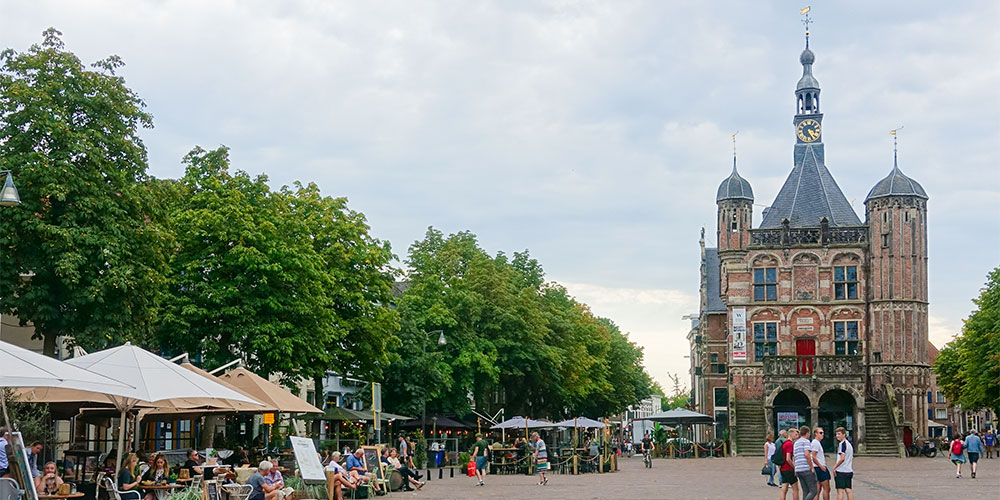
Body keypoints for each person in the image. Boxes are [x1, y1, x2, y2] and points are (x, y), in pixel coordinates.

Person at [794, 425, 818, 500]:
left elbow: (795, 456)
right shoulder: (806, 441)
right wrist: (811, 467)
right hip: (806, 468)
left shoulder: (796, 443)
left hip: (799, 469)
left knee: (806, 491)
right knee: (814, 490)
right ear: (807, 433)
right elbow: (807, 454)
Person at [832, 427, 853, 500]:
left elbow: (842, 458)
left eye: (839, 434)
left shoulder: (842, 444)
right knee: (848, 490)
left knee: (840, 491)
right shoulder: (849, 444)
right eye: (836, 434)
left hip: (841, 470)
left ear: (844, 434)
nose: (837, 436)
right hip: (849, 470)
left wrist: (835, 467)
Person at [779, 427, 799, 500]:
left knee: (784, 488)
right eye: (796, 434)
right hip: (788, 469)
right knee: (795, 489)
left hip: (783, 468)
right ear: (791, 434)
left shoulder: (784, 443)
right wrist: (794, 467)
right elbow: (788, 458)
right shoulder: (790, 444)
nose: (797, 436)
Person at [811, 427, 830, 500]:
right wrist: (821, 466)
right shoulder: (815, 443)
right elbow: (814, 456)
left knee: (818, 488)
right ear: (816, 434)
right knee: (826, 488)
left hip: (817, 467)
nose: (822, 434)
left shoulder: (816, 443)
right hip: (819, 467)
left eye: (823, 433)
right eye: (821, 433)